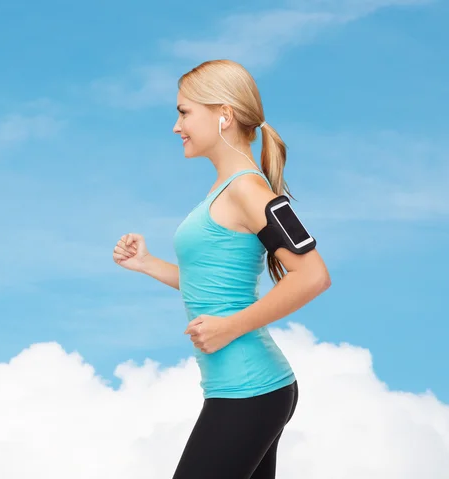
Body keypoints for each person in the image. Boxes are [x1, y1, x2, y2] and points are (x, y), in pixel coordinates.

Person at [112, 59, 331, 479]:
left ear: (224, 114)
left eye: (184, 112)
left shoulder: (249, 191)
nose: (177, 127)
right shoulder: (222, 191)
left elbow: (313, 275)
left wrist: (231, 327)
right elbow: (213, 288)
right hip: (245, 390)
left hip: (250, 390)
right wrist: (148, 264)